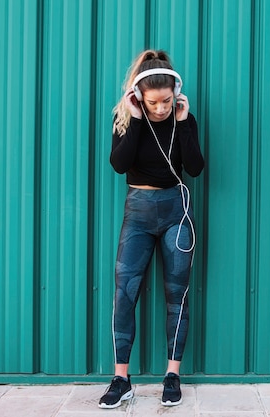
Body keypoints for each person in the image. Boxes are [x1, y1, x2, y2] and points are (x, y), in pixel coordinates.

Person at [98, 49, 204, 409]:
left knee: (178, 295)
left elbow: (196, 166)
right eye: (154, 102)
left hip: (176, 210)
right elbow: (119, 164)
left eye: (167, 100)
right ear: (138, 95)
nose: (161, 108)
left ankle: (172, 375)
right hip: (139, 212)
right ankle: (121, 379)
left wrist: (185, 122)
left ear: (177, 92)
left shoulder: (181, 118)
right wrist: (137, 119)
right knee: (124, 294)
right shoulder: (125, 119)